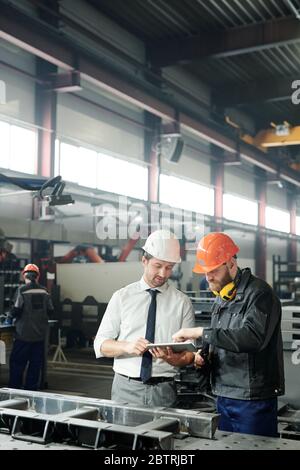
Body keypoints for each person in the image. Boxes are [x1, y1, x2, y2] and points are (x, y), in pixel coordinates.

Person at [173, 232, 284, 437]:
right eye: (205, 272)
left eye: (213, 270)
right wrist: (203, 357)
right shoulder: (222, 298)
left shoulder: (260, 294)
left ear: (231, 263)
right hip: (223, 394)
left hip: (252, 399)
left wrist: (201, 332)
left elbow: (253, 337)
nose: (208, 277)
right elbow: (221, 340)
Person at [94, 229, 195, 407]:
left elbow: (189, 354)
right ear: (144, 261)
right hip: (126, 388)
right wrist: (127, 346)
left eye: (169, 267)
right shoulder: (122, 297)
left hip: (164, 390)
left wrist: (170, 358)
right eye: (158, 266)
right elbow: (101, 344)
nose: (163, 274)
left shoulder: (182, 303)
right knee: (123, 435)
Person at [8, 263, 54, 390]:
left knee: (17, 363)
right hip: (39, 336)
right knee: (35, 365)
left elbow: (16, 309)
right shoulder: (45, 291)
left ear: (24, 275)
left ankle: (15, 390)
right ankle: (31, 391)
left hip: (23, 335)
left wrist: (9, 317)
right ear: (37, 276)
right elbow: (50, 311)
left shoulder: (22, 290)